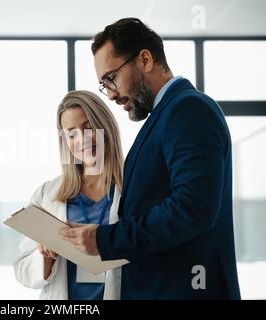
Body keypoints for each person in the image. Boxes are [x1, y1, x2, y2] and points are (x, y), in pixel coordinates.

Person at [59, 18, 241, 299]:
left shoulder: (188, 110)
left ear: (145, 59)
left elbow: (192, 209)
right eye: (104, 84)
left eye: (111, 78)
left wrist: (104, 239)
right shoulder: (165, 117)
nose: (111, 94)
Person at [14, 90, 125, 299]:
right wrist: (45, 258)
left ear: (105, 127)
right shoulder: (48, 194)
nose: (82, 139)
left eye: (88, 127)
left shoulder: (133, 187)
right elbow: (22, 270)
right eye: (71, 134)